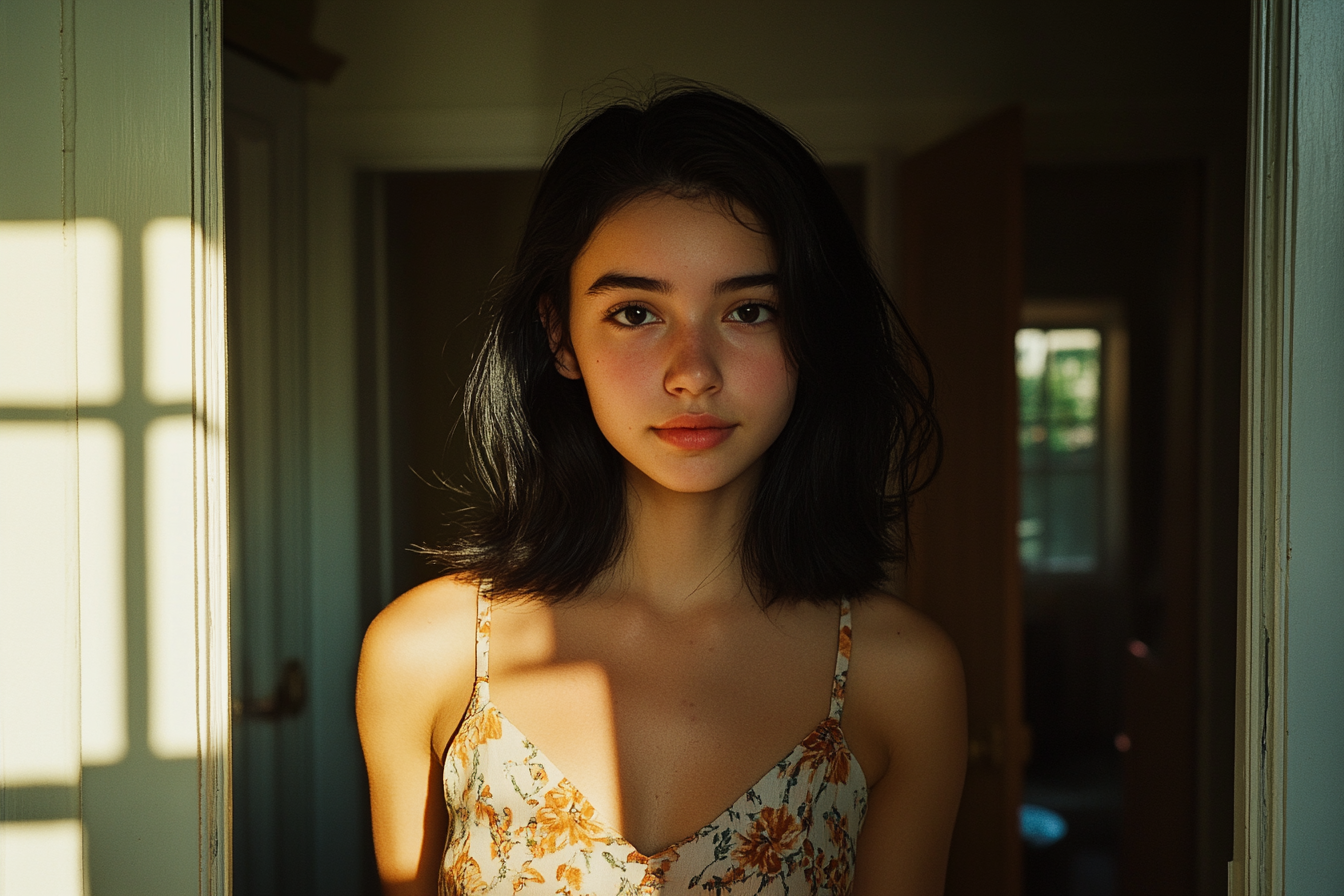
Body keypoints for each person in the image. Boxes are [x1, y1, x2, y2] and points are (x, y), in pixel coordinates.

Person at [357, 83, 967, 896]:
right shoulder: (427, 655)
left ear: (810, 331)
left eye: (749, 309)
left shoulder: (901, 677)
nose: (693, 374)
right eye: (636, 313)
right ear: (559, 334)